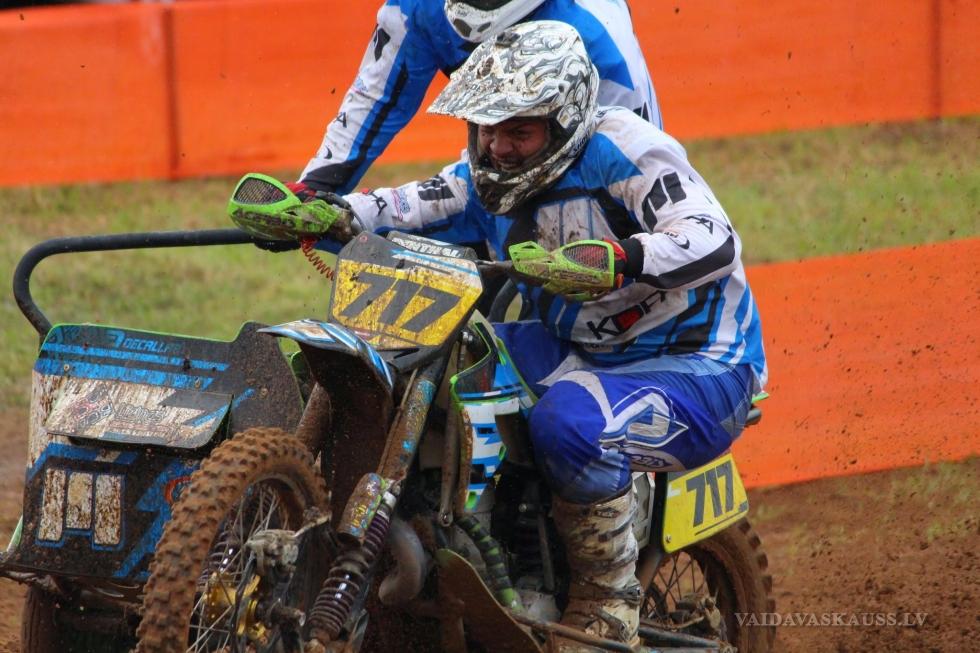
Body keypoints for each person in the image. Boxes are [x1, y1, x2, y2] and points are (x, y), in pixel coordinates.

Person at [319, 21, 766, 648]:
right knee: (449, 364)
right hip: (586, 351)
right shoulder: (484, 177)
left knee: (568, 423)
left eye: (519, 132)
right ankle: (484, 540)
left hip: (701, 365)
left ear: (565, 121)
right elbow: (407, 204)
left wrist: (624, 258)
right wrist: (326, 210)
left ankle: (607, 601)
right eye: (487, 128)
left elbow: (713, 238)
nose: (498, 147)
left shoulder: (626, 149)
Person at [293, 0, 661, 196]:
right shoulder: (418, 7)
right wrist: (315, 188)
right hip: (487, 169)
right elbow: (375, 95)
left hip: (585, 165)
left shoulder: (600, 35)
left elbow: (636, 162)